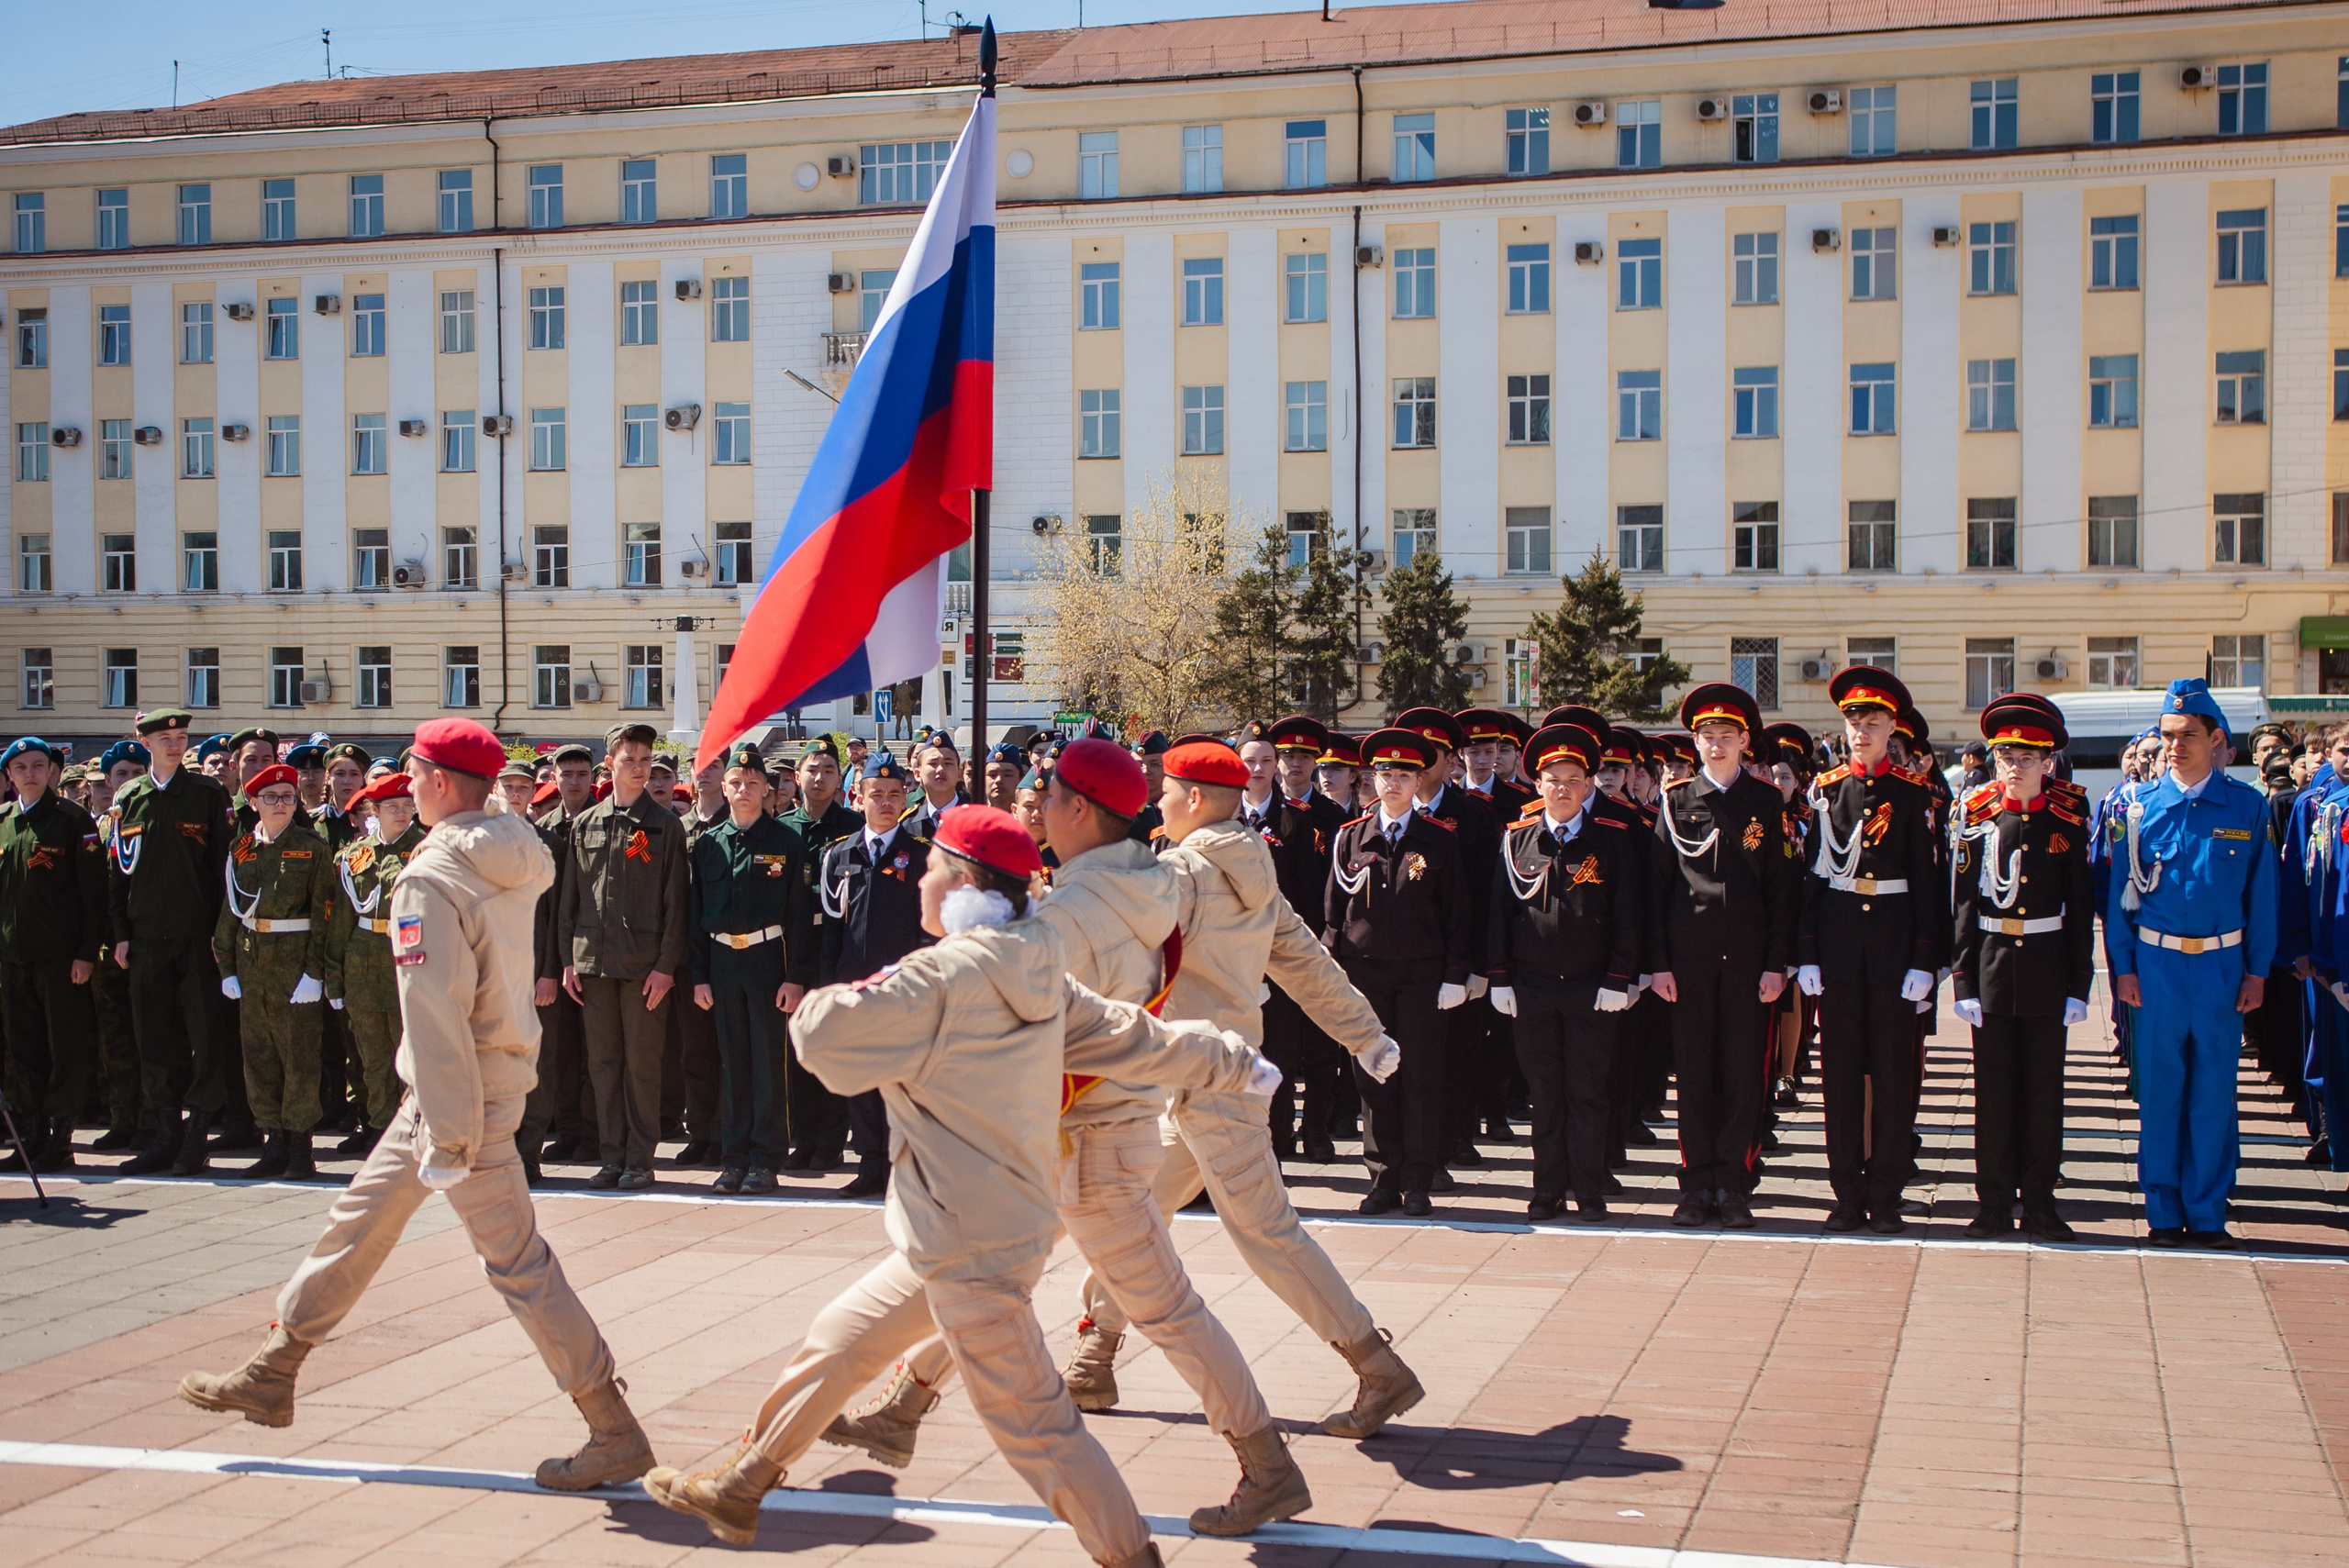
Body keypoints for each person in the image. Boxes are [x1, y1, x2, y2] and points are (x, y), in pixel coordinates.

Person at [643, 806, 1267, 1565]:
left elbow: (821, 1036)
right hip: (967, 1228)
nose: (920, 881)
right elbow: (1134, 1034)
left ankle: (1132, 1556)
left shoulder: (942, 974)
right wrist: (1231, 1058)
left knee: (1038, 1431)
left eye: (932, 868)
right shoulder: (1036, 955)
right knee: (839, 1339)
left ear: (965, 883)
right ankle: (744, 1482)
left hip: (968, 1244)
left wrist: (838, 995)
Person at [828, 741, 1316, 1535]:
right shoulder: (1148, 879)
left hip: (1080, 1133)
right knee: (986, 1280)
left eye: (1048, 793)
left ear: (1079, 808)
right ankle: (905, 1405)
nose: (1038, 805)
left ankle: (1267, 1463)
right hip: (1097, 1124)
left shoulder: (1071, 912)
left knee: (1164, 1309)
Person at [179, 717, 657, 1495]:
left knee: (520, 1266)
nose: (406, 782)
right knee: (357, 1223)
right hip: (459, 1087)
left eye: (414, 770)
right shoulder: (508, 850)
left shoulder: (433, 878)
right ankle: (278, 1365)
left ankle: (612, 1425)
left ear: (436, 782)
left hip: (459, 1096)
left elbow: (433, 1012)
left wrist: (448, 1131)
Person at [2105, 677, 2277, 1248]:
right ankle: (2162, 1210)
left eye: (2187, 735)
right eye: (2167, 735)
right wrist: (2123, 967)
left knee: (2213, 1090)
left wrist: (2257, 971)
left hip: (2222, 969)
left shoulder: (2247, 807)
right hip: (2155, 968)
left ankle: (2206, 1211)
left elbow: (2263, 898)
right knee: (2158, 1088)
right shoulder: (2138, 809)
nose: (2174, 746)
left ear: (2217, 740)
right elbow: (2120, 898)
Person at [1795, 669, 1944, 1234]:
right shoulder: (1826, 792)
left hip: (1892, 948)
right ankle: (1846, 1193)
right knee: (1839, 1077)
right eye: (1854, 722)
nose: (1861, 731)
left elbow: (1928, 883)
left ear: (1891, 730)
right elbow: (1812, 878)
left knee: (1890, 1075)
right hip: (1837, 949)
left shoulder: (1912, 795)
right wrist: (1806, 952)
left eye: (1873, 723)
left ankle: (1886, 1194)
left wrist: (1924, 959)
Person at [1646, 684, 1796, 1229]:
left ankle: (1734, 1183)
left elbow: (1781, 889)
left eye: (1726, 737)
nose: (1716, 745)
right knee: (1693, 1073)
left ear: (1744, 743)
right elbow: (1658, 888)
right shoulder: (1676, 800)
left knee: (1742, 1075)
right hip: (1688, 962)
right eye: (1707, 737)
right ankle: (1695, 1183)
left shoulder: (1764, 802)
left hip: (1750, 963)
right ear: (1695, 742)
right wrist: (1658, 962)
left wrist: (1778, 963)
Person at [1949, 694, 2093, 1243]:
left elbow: (2080, 907)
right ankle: (1992, 1203)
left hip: (2047, 966)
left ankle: (2039, 1203)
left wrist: (2080, 982)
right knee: (1993, 1093)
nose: (2015, 764)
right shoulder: (1979, 815)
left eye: (2028, 756)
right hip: (1991, 965)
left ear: (2047, 761)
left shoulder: (2068, 814)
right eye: (2006, 753)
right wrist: (1963, 979)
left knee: (2042, 1092)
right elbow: (1963, 904)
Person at [1486, 723, 1642, 1222]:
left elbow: (1628, 914)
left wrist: (1621, 977)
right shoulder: (1517, 841)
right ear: (1537, 785)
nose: (1563, 788)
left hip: (1591, 989)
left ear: (1589, 785)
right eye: (1553, 779)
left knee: (1588, 1093)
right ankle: (1548, 1189)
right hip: (1531, 988)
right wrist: (1500, 978)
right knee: (1545, 1094)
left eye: (1573, 780)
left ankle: (1589, 1190)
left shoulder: (1612, 841)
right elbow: (1500, 914)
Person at [1326, 727, 1471, 1216]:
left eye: (1404, 775)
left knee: (1421, 1079)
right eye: (1385, 774)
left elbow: (1457, 915)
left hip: (1422, 976)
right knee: (1373, 1078)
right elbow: (1333, 917)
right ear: (1372, 778)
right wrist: (1332, 979)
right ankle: (1382, 1180)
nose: (1393, 783)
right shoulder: (1351, 839)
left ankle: (1417, 1181)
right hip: (1365, 977)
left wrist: (1456, 974)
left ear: (1417, 781)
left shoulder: (1437, 840)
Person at [556, 722, 690, 1191]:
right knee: (603, 1065)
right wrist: (568, 960)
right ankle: (611, 1156)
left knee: (642, 1065)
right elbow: (569, 901)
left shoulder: (666, 826)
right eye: (629, 759)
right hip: (594, 965)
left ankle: (640, 1159)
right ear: (608, 765)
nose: (638, 768)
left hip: (643, 967)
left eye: (645, 760)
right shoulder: (586, 824)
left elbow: (678, 905)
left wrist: (666, 967)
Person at [110, 709, 237, 1177]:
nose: (175, 745)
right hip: (145, 940)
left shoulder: (206, 793)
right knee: (154, 1039)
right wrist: (121, 934)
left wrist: (221, 936)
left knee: (205, 1038)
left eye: (181, 737)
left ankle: (197, 1138)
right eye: (165, 738)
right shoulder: (129, 798)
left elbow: (225, 872)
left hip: (196, 940)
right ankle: (165, 1136)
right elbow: (118, 873)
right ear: (145, 743)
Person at [691, 744, 817, 1195]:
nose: (744, 790)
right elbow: (695, 914)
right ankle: (733, 1157)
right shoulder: (707, 844)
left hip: (770, 960)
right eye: (735, 783)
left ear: (767, 789)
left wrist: (796, 975)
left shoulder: (786, 843)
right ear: (723, 789)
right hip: (723, 961)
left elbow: (800, 915)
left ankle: (765, 1159)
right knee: (733, 1063)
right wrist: (699, 975)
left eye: (752, 783)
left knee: (768, 1063)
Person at [215, 762, 334, 1181]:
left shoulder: (313, 847)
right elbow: (230, 912)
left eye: (287, 797)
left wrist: (315, 974)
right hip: (252, 965)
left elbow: (325, 915)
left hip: (294, 965)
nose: (280, 804)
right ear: (253, 802)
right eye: (270, 797)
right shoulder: (241, 849)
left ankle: (301, 1149)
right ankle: (273, 1142)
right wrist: (227, 967)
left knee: (299, 1059)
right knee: (259, 1058)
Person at [817, 757, 931, 1191]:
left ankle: (901, 1166)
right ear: (858, 798)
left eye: (894, 795)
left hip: (902, 989)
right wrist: (830, 988)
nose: (885, 803)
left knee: (900, 1080)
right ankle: (869, 1164)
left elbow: (929, 928)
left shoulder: (920, 856)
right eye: (876, 795)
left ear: (906, 799)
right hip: (854, 986)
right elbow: (831, 929)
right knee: (863, 1078)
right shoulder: (840, 855)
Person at [0, 736, 106, 1172]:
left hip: (61, 959)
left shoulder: (70, 818)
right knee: (23, 1049)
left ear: (51, 771)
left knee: (65, 1048)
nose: (29, 773)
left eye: (38, 765)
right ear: (8, 775)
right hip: (11, 959)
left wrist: (85, 954)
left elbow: (93, 896)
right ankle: (31, 1135)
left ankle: (61, 1138)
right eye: (20, 766)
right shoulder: (4, 822)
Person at [1256, 716, 1351, 1161]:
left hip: (1317, 944)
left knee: (1320, 1046)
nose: (1295, 764)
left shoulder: (1333, 818)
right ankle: (1278, 1133)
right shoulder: (1258, 814)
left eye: (1304, 757)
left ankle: (1316, 1130)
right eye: (1288, 756)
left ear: (1316, 762)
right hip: (1268, 950)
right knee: (1277, 1048)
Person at [323, 773, 427, 1159]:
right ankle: (379, 1127)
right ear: (373, 811)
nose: (401, 813)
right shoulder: (355, 855)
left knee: (411, 1055)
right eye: (391, 807)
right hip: (364, 960)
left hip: (409, 960)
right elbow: (341, 920)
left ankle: (412, 1131)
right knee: (370, 1056)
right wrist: (334, 977)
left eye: (406, 806)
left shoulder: (427, 849)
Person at [525, 744, 597, 1168]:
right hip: (552, 956)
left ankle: (591, 1133)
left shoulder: (605, 821)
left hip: (590, 952)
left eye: (581, 774)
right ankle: (566, 1129)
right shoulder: (545, 829)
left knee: (592, 1052)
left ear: (592, 777)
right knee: (559, 1052)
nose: (573, 781)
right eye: (566, 773)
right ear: (553, 777)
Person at [85, 740, 149, 1152]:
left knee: (154, 1036)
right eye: (120, 774)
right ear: (107, 781)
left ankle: (155, 1120)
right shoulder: (98, 829)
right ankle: (123, 1118)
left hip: (148, 944)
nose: (127, 781)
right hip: (109, 951)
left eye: (135, 773)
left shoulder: (153, 817)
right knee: (116, 1038)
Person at [901, 734, 966, 840]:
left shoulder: (977, 820)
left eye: (948, 763)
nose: (940, 769)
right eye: (933, 763)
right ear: (917, 774)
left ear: (960, 774)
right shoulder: (907, 825)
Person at [981, 740, 1025, 813]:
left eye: (1008, 775)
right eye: (992, 775)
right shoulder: (973, 819)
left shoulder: (1027, 821)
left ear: (1020, 779)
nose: (999, 780)